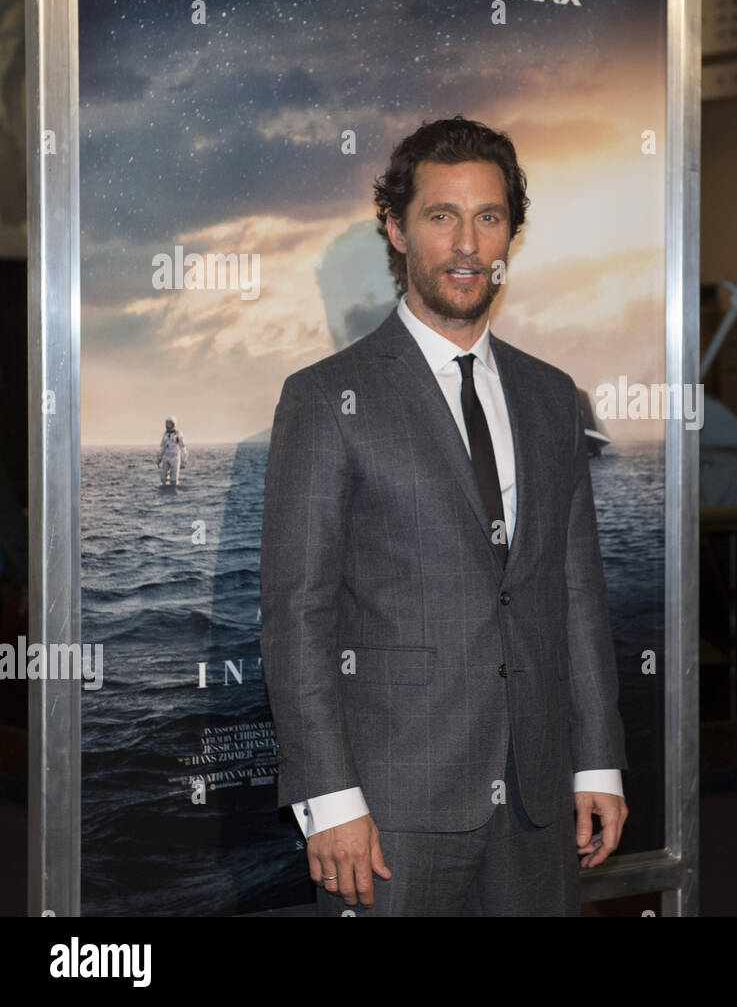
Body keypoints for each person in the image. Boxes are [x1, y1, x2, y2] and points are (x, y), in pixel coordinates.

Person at [260, 117, 628, 917]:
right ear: (396, 228)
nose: (467, 243)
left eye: (489, 217)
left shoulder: (550, 396)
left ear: (511, 235)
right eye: (441, 215)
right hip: (391, 811)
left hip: (537, 799)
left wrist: (597, 762)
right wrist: (328, 795)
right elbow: (297, 615)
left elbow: (577, 591)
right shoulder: (326, 400)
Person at [156, 416, 187, 485]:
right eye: (167, 424)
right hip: (166, 457)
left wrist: (183, 461)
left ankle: (173, 490)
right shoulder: (165, 435)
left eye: (170, 424)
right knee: (163, 477)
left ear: (174, 424)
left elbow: (182, 447)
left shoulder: (178, 434)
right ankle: (164, 489)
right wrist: (159, 459)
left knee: (174, 478)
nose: (168, 425)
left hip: (175, 457)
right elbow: (162, 448)